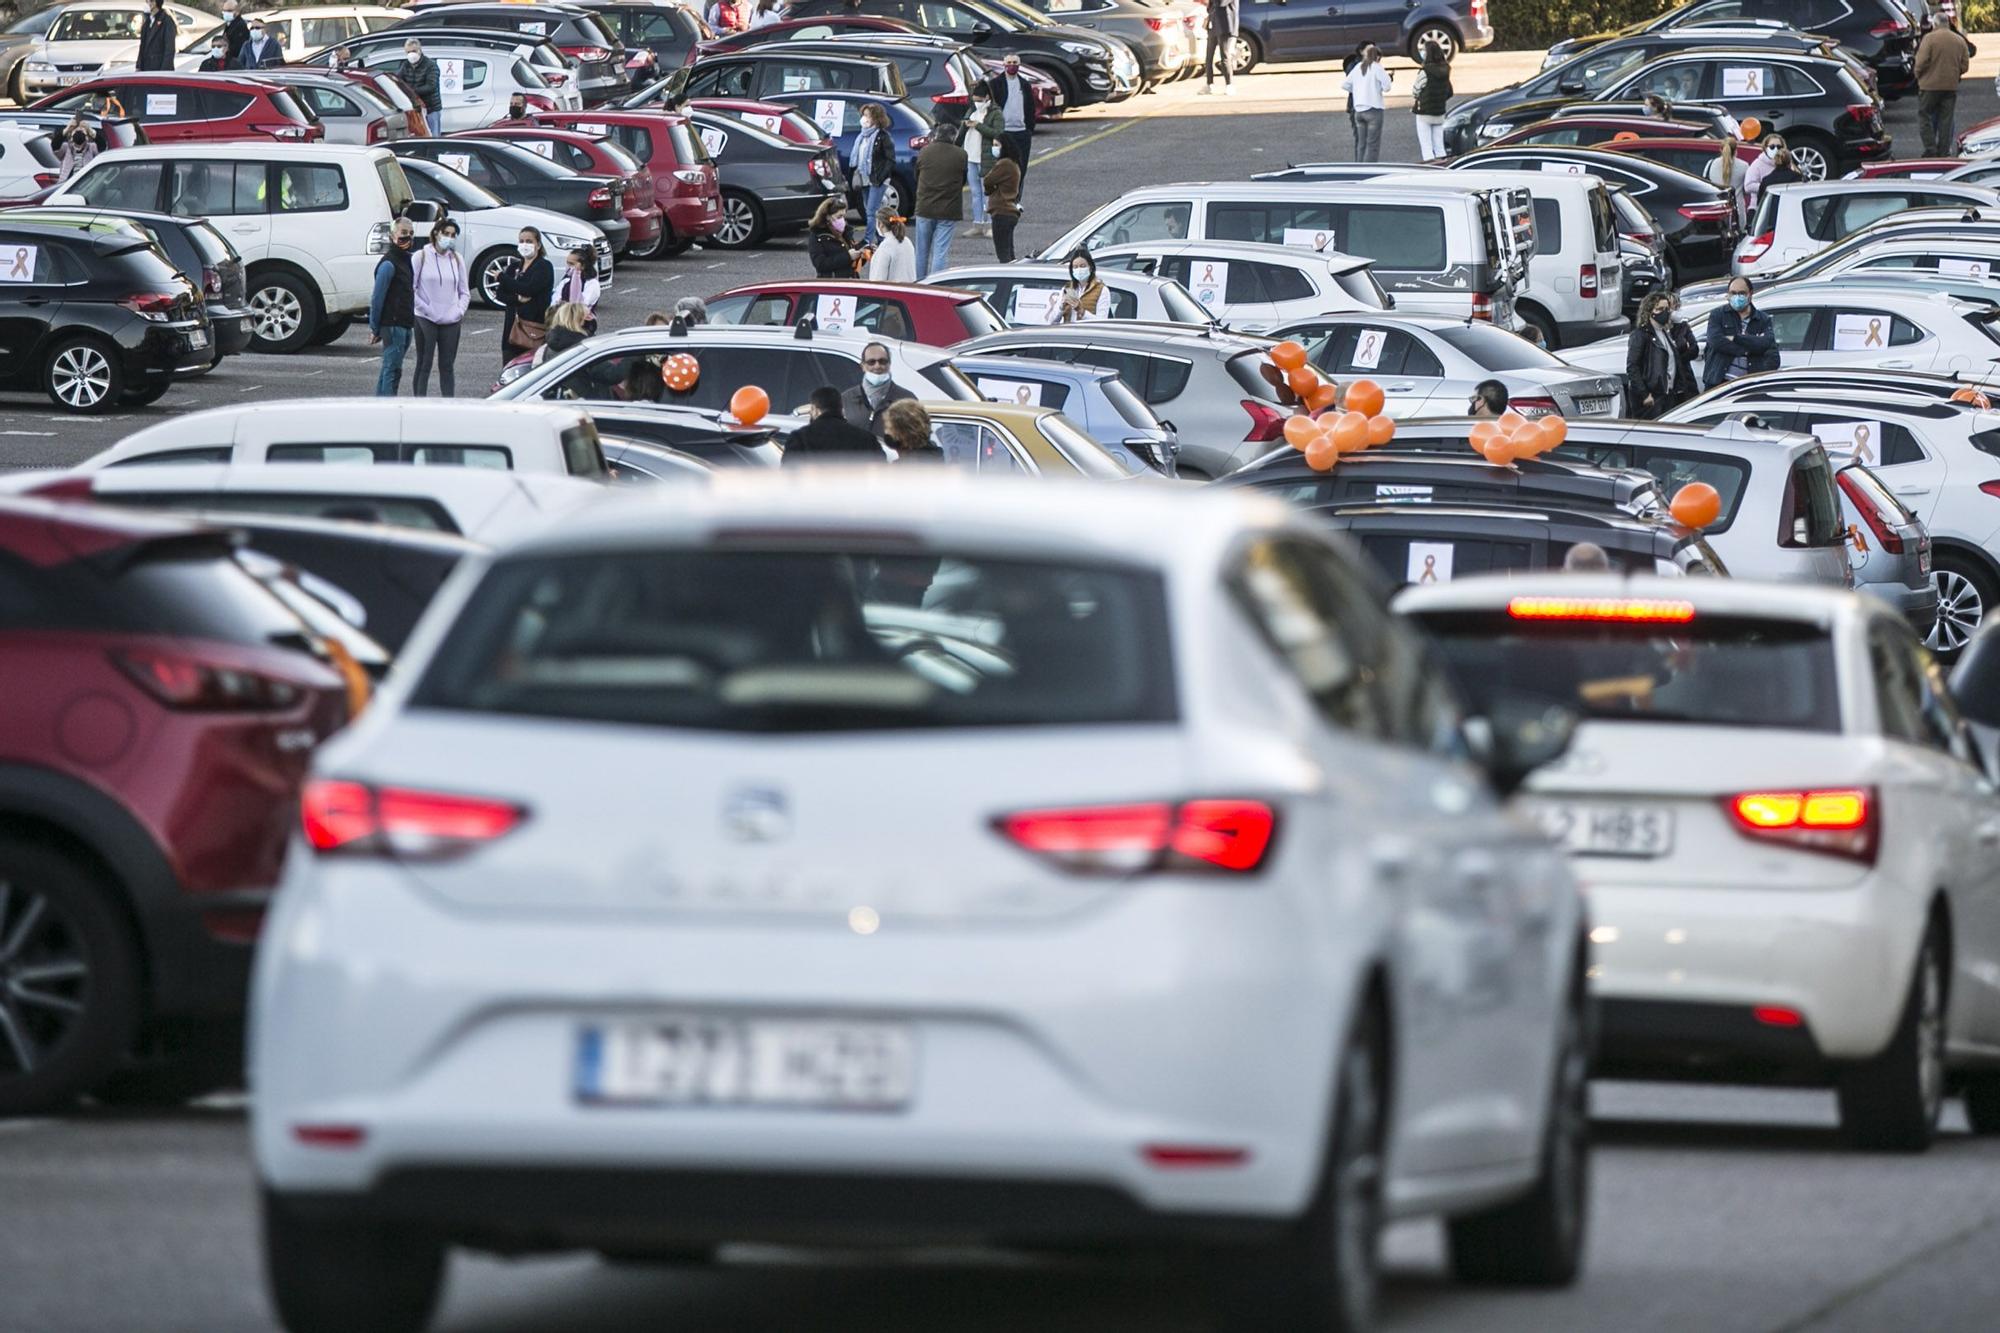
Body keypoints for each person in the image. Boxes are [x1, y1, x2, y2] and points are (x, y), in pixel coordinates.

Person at [411, 217, 469, 397]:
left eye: (453, 235)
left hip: (451, 319)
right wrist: (426, 308)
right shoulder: (420, 256)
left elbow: (464, 291)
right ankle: (419, 403)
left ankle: (449, 404)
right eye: (446, 233)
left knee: (447, 365)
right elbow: (410, 289)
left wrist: (459, 311)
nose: (449, 238)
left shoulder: (457, 259)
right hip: (425, 317)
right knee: (424, 363)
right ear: (436, 233)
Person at [1625, 291, 1695, 419]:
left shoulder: (1665, 333)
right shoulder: (1640, 335)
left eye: (1667, 309)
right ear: (1649, 311)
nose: (1665, 312)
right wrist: (1644, 394)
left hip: (1669, 394)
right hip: (1653, 396)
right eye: (1660, 309)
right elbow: (1632, 367)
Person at [368, 218, 417, 396]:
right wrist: (374, 327)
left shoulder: (408, 261)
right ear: (392, 236)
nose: (408, 237)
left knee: (392, 368)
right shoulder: (389, 263)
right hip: (393, 323)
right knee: (392, 368)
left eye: (410, 233)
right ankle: (387, 404)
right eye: (403, 233)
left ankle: (380, 402)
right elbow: (377, 298)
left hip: (404, 322)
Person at [1702, 276, 1778, 389]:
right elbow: (1716, 341)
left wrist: (1735, 338)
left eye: (1742, 293)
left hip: (1749, 386)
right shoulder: (1718, 315)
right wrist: (1748, 349)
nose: (1737, 297)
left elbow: (1767, 345)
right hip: (1719, 383)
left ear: (1750, 294)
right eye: (1733, 293)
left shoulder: (1763, 319)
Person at [912, 122, 966, 280]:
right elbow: (962, 180)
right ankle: (935, 284)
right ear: (953, 137)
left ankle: (919, 282)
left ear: (936, 135)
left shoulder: (924, 152)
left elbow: (917, 175)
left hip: (925, 207)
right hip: (949, 209)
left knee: (921, 251)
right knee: (940, 251)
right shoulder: (961, 154)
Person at [1917, 12, 1972, 157]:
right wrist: (1955, 74)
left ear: (1935, 24)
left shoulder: (1929, 39)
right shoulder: (1958, 40)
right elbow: (1965, 65)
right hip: (1950, 86)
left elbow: (1921, 63)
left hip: (1929, 86)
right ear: (1947, 23)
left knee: (1924, 115)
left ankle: (1930, 148)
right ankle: (1944, 150)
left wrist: (1918, 75)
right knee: (1946, 119)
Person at [788, 385, 887, 463]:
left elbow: (789, 475)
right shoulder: (866, 439)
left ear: (815, 409)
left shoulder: (800, 438)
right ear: (841, 409)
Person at [498, 226, 553, 363]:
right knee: (509, 366)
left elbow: (529, 289)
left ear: (538, 245)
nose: (525, 245)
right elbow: (500, 294)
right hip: (512, 328)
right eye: (521, 241)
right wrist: (517, 299)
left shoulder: (544, 267)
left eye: (529, 241)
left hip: (534, 329)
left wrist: (502, 277)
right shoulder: (513, 267)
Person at [988, 54, 1035, 202]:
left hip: (1021, 132)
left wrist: (1029, 130)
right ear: (1004, 64)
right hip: (1004, 132)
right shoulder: (996, 84)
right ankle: (1000, 198)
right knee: (1001, 167)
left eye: (1015, 63)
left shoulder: (1025, 85)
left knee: (1021, 169)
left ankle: (1016, 200)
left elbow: (1030, 109)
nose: (1012, 65)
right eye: (1009, 63)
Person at [842, 341, 915, 434]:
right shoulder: (846, 399)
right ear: (863, 366)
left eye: (882, 361)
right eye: (871, 362)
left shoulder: (906, 399)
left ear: (889, 364)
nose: (877, 366)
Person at [962, 86, 1003, 237]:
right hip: (971, 156)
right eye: (974, 100)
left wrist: (978, 126)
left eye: (979, 100)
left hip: (985, 158)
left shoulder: (995, 114)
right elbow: (962, 131)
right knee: (975, 193)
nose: (977, 103)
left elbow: (998, 132)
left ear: (987, 97)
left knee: (988, 193)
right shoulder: (972, 111)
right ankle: (978, 224)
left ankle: (991, 225)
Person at [850, 102, 893, 244]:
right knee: (870, 210)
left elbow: (890, 159)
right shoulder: (862, 136)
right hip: (864, 178)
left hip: (877, 179)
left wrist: (881, 177)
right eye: (864, 115)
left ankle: (868, 239)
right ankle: (881, 238)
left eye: (868, 115)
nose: (865, 118)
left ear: (877, 118)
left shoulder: (883, 136)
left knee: (871, 211)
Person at [1342, 43, 1391, 163]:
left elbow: (1345, 85)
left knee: (1361, 143)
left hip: (1358, 110)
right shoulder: (1377, 67)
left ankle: (1359, 167)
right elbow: (1387, 87)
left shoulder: (1358, 67)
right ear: (1377, 57)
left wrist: (1358, 92)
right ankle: (1370, 168)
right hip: (1374, 109)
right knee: (1372, 144)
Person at [1411, 39, 1452, 162]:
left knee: (1427, 147)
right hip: (1439, 111)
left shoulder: (1425, 71)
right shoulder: (1446, 70)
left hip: (1424, 112)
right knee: (1439, 146)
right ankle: (1442, 167)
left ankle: (1429, 169)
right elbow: (1449, 92)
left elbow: (1415, 90)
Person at [983, 136, 1022, 262]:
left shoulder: (1004, 163)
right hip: (1009, 212)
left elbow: (988, 180)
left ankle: (1008, 277)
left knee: (1003, 254)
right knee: (1009, 252)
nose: (994, 148)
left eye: (997, 145)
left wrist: (989, 190)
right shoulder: (1013, 163)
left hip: (1002, 211)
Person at [402, 39, 443, 136]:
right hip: (415, 108)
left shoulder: (430, 65)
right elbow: (399, 80)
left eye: (413, 51)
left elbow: (431, 86)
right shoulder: (406, 65)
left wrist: (412, 92)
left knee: (434, 135)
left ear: (419, 50)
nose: (411, 54)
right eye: (408, 52)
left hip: (431, 108)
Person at [808, 197, 858, 276]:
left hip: (849, 281)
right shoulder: (817, 235)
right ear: (828, 217)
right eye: (839, 217)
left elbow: (853, 262)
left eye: (844, 216)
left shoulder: (845, 232)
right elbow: (820, 264)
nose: (842, 220)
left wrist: (863, 253)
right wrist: (848, 257)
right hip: (832, 283)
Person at [532, 301, 592, 367]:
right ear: (579, 321)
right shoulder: (583, 346)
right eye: (588, 317)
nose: (592, 318)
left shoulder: (547, 347)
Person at [1055, 248, 1105, 323]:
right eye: (1075, 267)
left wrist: (1081, 311)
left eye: (1082, 266)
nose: (1079, 270)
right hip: (1068, 333)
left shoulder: (1101, 289)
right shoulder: (1067, 288)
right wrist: (1061, 308)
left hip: (1088, 333)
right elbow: (1051, 321)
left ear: (1090, 267)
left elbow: (1102, 322)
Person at [1202, 0, 1238, 96]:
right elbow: (1210, 7)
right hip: (1213, 25)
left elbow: (1221, 3)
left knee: (1224, 56)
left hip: (1225, 26)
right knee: (1208, 57)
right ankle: (1210, 84)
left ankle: (1229, 85)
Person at [868, 210, 916, 281]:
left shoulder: (885, 247)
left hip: (893, 291)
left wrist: (877, 255)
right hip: (909, 289)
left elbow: (877, 279)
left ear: (881, 224)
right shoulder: (907, 241)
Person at [555, 245, 600, 318]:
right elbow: (555, 300)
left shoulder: (592, 284)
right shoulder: (566, 281)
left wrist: (576, 275)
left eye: (572, 264)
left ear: (583, 265)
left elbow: (580, 304)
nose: (568, 266)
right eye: (567, 263)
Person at [1340, 43, 1367, 155]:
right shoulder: (1356, 67)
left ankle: (1366, 164)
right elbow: (1349, 85)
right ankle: (1361, 166)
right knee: (1361, 140)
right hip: (1357, 107)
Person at [136, 0, 176, 72]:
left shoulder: (166, 21)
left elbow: (169, 49)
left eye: (150, 1)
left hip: (158, 68)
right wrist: (138, 66)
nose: (147, 3)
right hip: (146, 68)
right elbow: (142, 46)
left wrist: (164, 71)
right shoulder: (147, 21)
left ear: (155, 3)